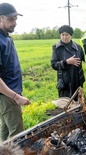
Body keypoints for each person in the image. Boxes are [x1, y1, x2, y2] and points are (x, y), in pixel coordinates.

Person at [0, 3, 30, 142]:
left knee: (6, 132)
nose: (15, 23)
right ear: (1, 19)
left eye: (16, 19)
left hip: (9, 94)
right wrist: (16, 97)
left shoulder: (5, 37)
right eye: (11, 19)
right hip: (7, 96)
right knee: (18, 136)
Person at [51, 25, 85, 99]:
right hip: (64, 81)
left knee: (78, 102)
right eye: (62, 35)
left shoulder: (78, 47)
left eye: (66, 34)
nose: (64, 37)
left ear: (71, 35)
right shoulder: (56, 48)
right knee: (65, 103)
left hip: (77, 80)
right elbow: (54, 64)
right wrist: (66, 62)